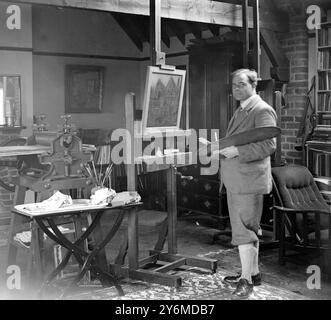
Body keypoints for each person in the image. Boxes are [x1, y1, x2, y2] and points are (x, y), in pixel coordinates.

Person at [218, 69, 277, 299]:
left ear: (254, 85)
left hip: (248, 181)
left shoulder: (262, 110)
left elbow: (268, 145)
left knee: (245, 231)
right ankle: (253, 273)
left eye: (241, 84)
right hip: (239, 180)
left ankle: (246, 281)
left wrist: (236, 151)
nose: (236, 88)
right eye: (233, 84)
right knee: (249, 229)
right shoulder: (242, 109)